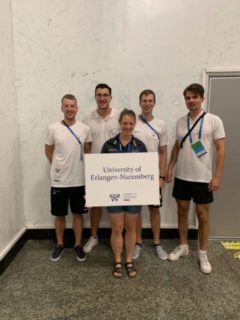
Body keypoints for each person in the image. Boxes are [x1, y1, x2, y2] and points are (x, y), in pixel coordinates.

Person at [166, 83, 225, 274]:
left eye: (194, 97)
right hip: (183, 175)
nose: (191, 101)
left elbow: (221, 149)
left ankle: (202, 252)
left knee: (202, 215)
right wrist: (170, 166)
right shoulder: (181, 121)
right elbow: (177, 145)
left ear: (202, 98)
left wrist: (216, 176)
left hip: (203, 177)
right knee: (182, 211)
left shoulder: (213, 120)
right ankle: (183, 246)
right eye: (188, 98)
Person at [45, 94, 92, 262]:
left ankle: (78, 244)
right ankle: (59, 244)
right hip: (59, 181)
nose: (70, 109)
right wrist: (57, 166)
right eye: (67, 106)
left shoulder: (85, 129)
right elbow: (48, 150)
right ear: (62, 108)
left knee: (78, 214)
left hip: (79, 180)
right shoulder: (53, 128)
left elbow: (88, 150)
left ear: (77, 108)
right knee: (59, 215)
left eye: (73, 106)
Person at [101, 109, 147, 278]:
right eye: (125, 123)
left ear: (134, 125)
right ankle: (117, 261)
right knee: (117, 228)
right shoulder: (108, 145)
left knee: (130, 227)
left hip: (134, 194)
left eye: (131, 123)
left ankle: (129, 260)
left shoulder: (140, 146)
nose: (127, 126)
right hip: (114, 195)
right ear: (119, 124)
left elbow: (145, 172)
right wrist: (93, 191)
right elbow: (100, 172)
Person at [82, 83, 120, 253]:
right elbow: (86, 146)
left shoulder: (119, 116)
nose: (102, 98)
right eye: (99, 95)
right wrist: (88, 170)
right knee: (95, 205)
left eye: (106, 95)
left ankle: (116, 237)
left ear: (110, 97)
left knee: (116, 204)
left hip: (115, 170)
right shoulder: (87, 119)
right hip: (96, 170)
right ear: (95, 97)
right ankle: (94, 236)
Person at [132, 89, 168, 260]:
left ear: (154, 103)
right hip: (136, 176)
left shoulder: (160, 124)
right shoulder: (133, 123)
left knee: (154, 210)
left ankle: (157, 243)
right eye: (144, 100)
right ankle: (138, 242)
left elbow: (163, 152)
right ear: (140, 103)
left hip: (153, 176)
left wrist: (161, 176)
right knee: (137, 210)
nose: (147, 103)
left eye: (150, 100)